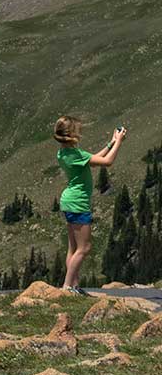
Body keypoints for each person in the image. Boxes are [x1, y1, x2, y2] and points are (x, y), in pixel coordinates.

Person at [55, 117, 127, 295]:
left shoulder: (64, 153)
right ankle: (67, 287)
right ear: (71, 134)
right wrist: (118, 142)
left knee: (73, 248)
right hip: (78, 203)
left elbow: (93, 159)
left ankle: (74, 285)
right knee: (84, 248)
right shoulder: (75, 154)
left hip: (69, 202)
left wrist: (110, 143)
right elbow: (107, 162)